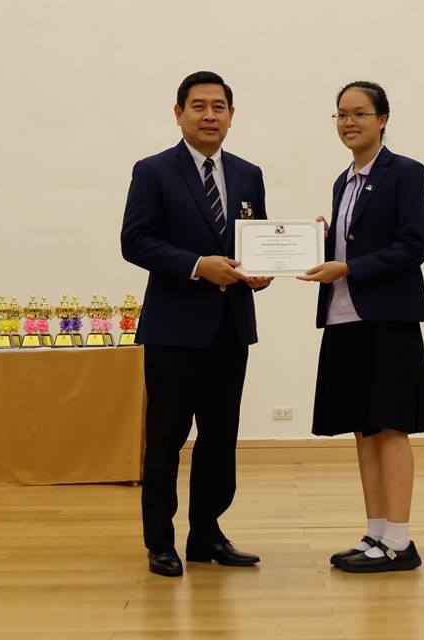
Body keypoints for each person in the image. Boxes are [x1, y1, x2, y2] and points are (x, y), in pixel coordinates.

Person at [121, 70, 272, 577]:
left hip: (231, 327)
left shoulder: (249, 174)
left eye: (219, 107)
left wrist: (260, 272)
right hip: (174, 330)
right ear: (179, 112)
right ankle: (160, 541)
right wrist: (196, 265)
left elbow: (254, 241)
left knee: (220, 439)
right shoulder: (153, 171)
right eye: (199, 106)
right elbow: (135, 241)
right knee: (166, 439)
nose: (210, 116)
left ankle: (207, 534)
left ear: (231, 115)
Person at [298, 80, 424, 573]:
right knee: (364, 427)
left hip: (387, 316)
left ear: (382, 119)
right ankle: (376, 533)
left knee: (391, 425)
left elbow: (411, 247)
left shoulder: (406, 172)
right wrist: (323, 241)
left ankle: (399, 540)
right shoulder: (344, 181)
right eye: (341, 114)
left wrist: (349, 267)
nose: (349, 122)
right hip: (344, 317)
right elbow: (358, 241)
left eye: (359, 113)